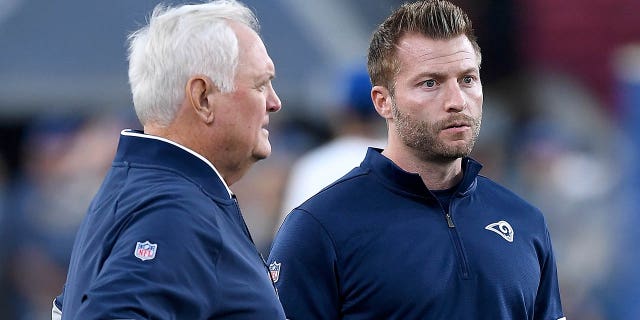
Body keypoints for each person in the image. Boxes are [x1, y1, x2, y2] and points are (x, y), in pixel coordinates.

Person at [267, 1, 565, 319]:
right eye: (430, 83)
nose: (456, 101)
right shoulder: (318, 229)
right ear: (383, 102)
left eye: (467, 79)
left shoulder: (525, 221)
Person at [52, 0, 285, 319]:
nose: (275, 103)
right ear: (203, 98)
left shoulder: (151, 190)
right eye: (260, 84)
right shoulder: (175, 207)